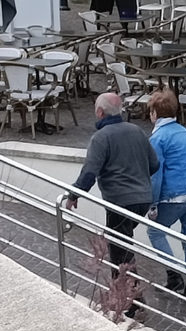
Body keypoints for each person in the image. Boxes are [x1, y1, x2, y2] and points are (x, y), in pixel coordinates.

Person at [67, 92, 159, 318]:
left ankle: (132, 302)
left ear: (100, 112)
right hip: (142, 199)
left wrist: (73, 195)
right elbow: (154, 164)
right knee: (123, 246)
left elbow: (90, 172)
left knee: (120, 252)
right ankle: (129, 299)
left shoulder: (101, 138)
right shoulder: (136, 131)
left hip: (120, 200)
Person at [145, 88, 186, 301]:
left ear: (155, 113)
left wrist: (152, 204)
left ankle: (174, 277)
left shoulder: (158, 137)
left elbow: (156, 174)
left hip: (175, 195)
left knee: (155, 232)